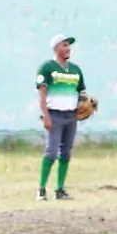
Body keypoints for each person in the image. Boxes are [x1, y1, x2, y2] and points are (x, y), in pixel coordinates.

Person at [36, 33, 88, 201]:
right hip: (54, 114)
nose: (68, 48)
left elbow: (81, 93)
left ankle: (59, 189)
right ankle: (41, 189)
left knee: (65, 152)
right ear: (56, 48)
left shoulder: (75, 70)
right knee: (51, 152)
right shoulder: (47, 68)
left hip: (71, 115)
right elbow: (42, 94)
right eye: (64, 45)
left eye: (68, 45)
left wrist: (86, 104)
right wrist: (45, 116)